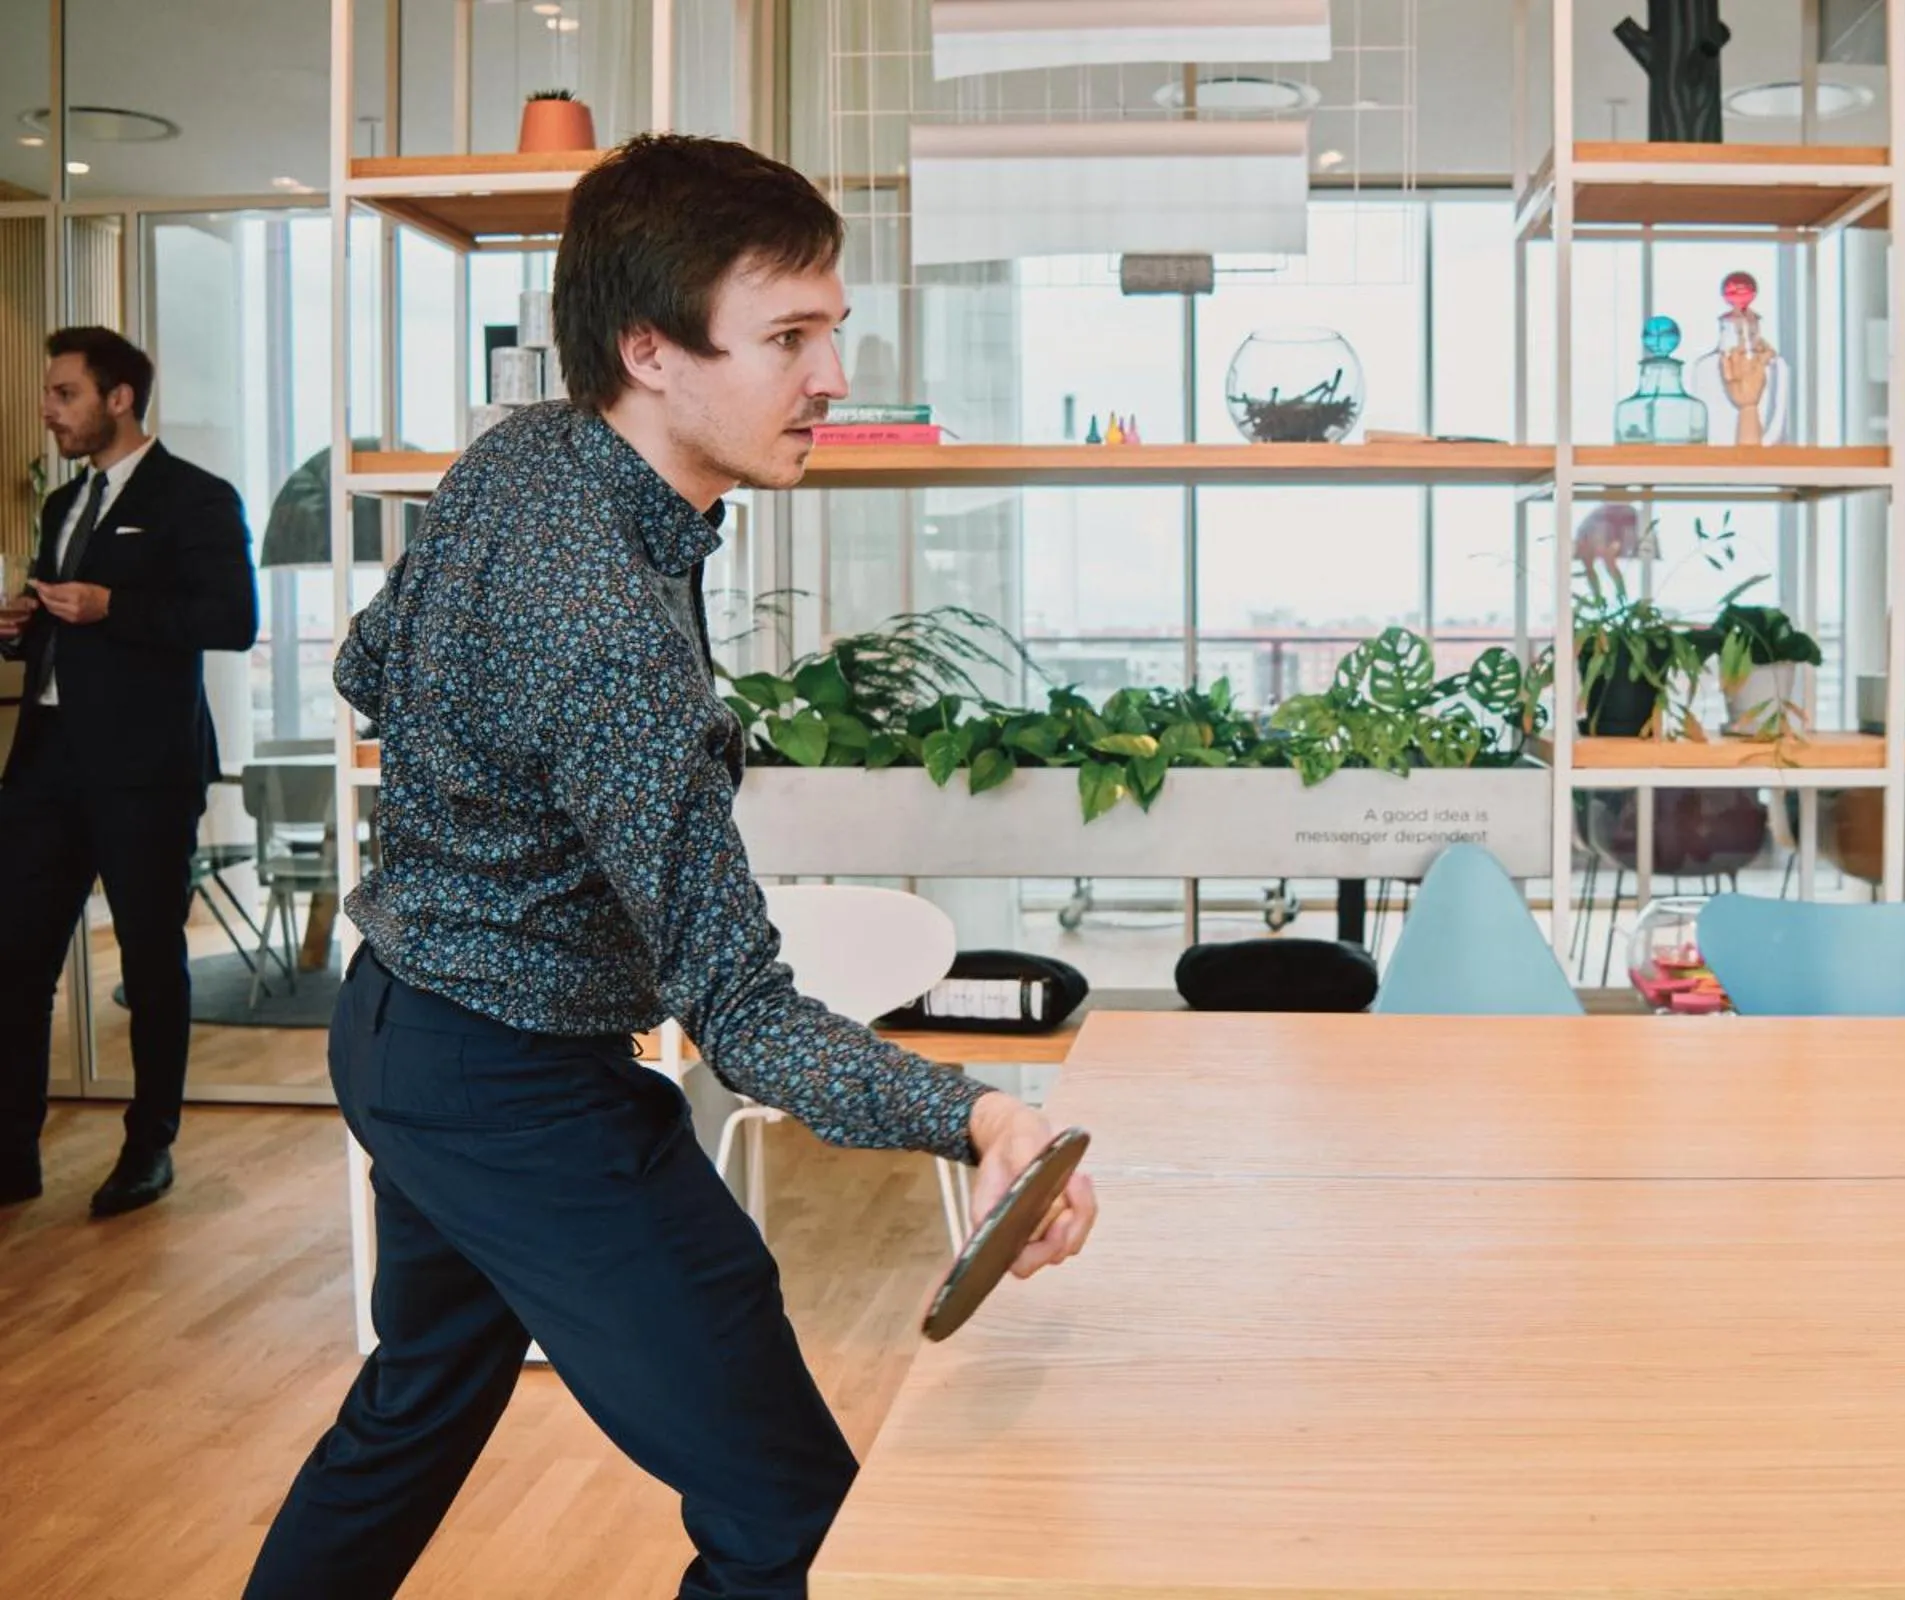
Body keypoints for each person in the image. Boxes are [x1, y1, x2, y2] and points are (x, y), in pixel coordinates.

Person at [242, 135, 1098, 1600]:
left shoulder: (527, 449)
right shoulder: (616, 644)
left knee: (413, 1412)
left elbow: (372, 661)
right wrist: (980, 1114)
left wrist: (492, 800)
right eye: (788, 338)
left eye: (832, 329)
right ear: (649, 348)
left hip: (401, 1025)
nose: (832, 375)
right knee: (792, 1517)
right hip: (510, 1078)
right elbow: (744, 1016)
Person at [0, 326, 258, 1215]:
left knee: (151, 963)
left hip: (145, 770)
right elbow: (56, 618)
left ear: (118, 399)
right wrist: (23, 628)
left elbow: (232, 619)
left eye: (63, 393)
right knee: (15, 959)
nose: (48, 409)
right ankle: (11, 1152)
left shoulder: (196, 498)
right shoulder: (62, 506)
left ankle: (149, 1148)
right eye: (49, 393)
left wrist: (114, 606)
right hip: (44, 766)